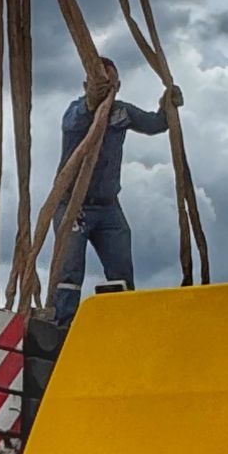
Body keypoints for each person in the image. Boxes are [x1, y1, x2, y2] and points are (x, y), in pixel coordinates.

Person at [51, 59, 183, 329]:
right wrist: (93, 101)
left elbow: (155, 124)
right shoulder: (75, 112)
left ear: (118, 86)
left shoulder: (122, 113)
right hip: (73, 205)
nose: (104, 90)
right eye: (97, 84)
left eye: (109, 85)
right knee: (69, 272)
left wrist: (167, 105)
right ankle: (64, 328)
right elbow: (78, 119)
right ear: (86, 85)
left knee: (121, 270)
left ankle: (124, 324)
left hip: (108, 207)